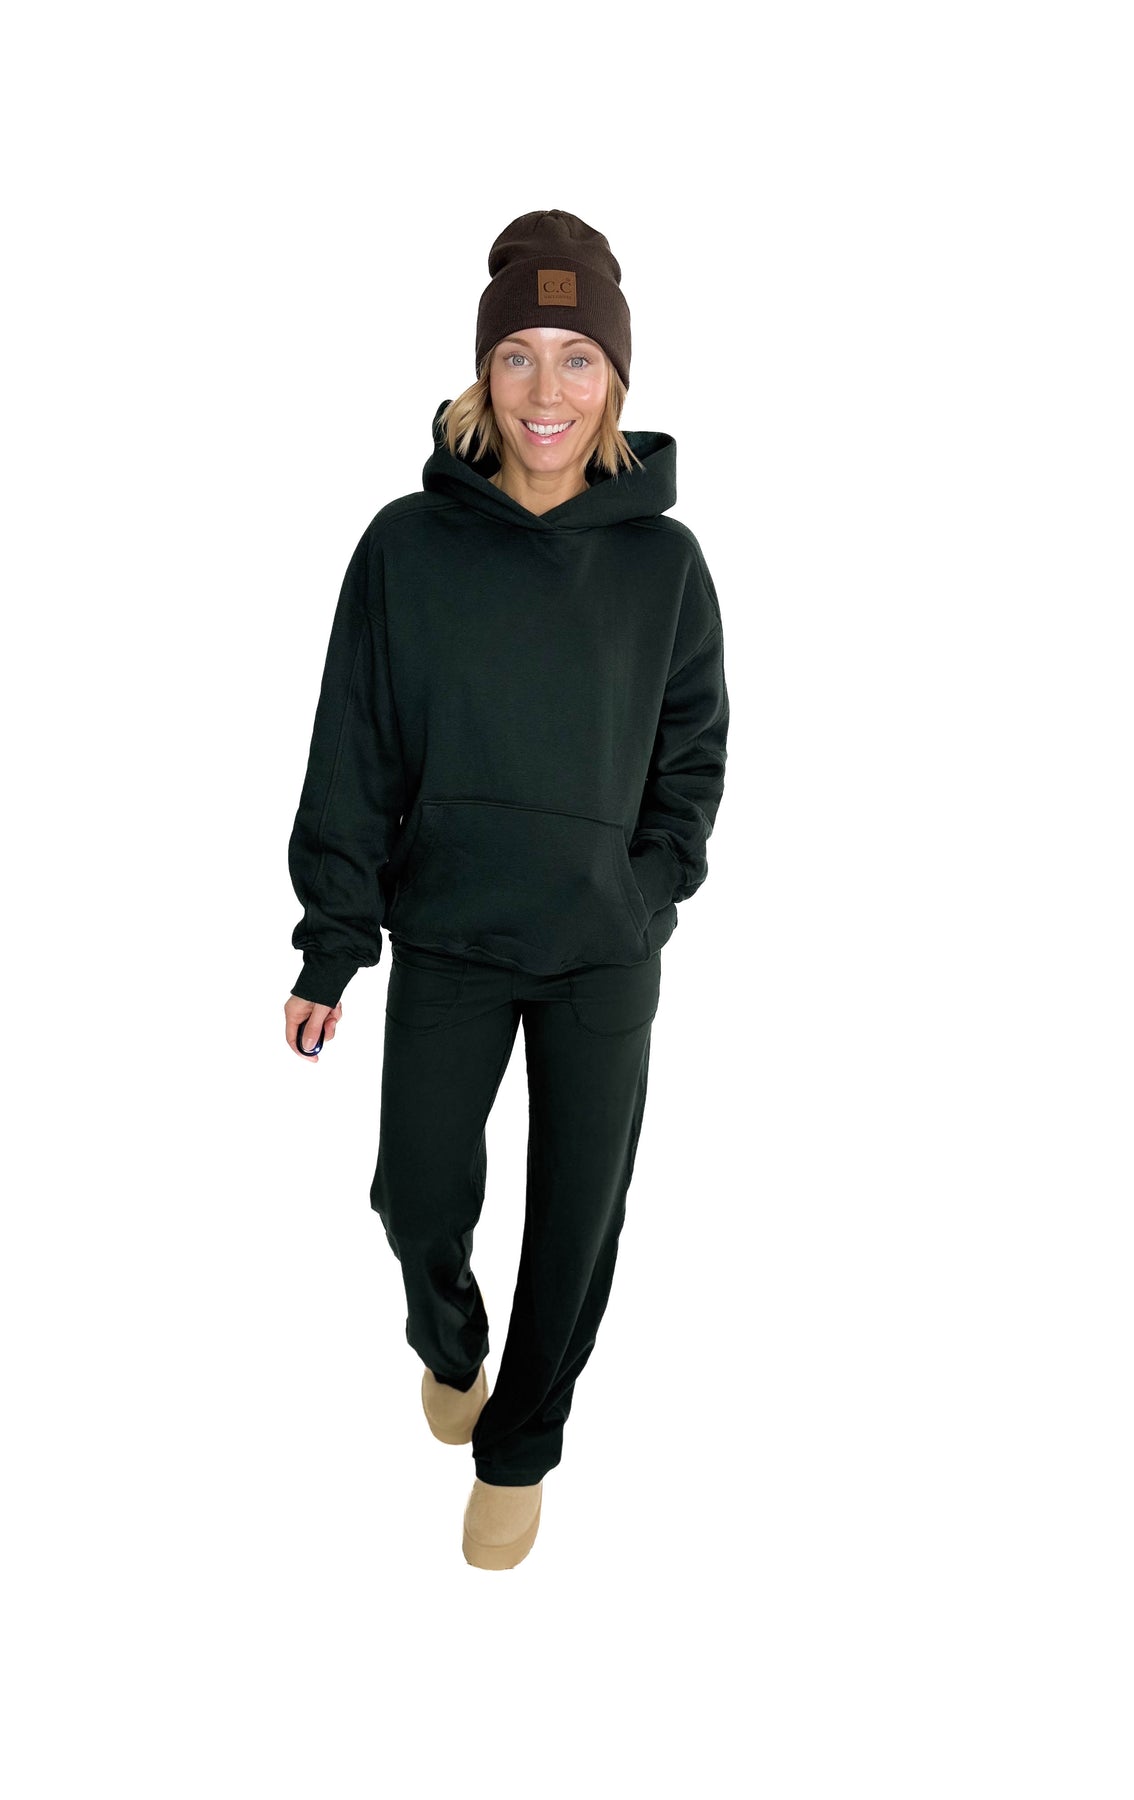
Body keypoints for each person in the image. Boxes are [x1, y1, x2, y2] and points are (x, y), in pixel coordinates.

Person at [283, 209, 729, 1570]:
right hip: (452, 935)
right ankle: (448, 1339)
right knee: (415, 1195)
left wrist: (643, 890)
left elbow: (692, 757)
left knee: (575, 1225)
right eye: (519, 356)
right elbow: (353, 747)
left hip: (601, 951)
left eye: (578, 357)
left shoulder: (664, 564)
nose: (547, 390)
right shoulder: (406, 547)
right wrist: (331, 944)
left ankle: (520, 1447)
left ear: (616, 381)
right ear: (482, 374)